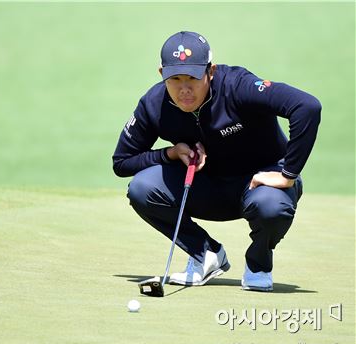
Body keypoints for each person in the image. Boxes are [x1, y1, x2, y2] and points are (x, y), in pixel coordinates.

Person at [112, 31, 321, 291]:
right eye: (175, 79)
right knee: (141, 188)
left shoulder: (238, 86)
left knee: (272, 206)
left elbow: (307, 107)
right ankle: (205, 254)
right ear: (161, 73)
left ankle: (258, 264)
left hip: (259, 186)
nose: (184, 89)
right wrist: (170, 153)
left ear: (210, 71)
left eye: (193, 78)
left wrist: (287, 174)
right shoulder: (154, 104)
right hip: (206, 190)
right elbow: (122, 162)